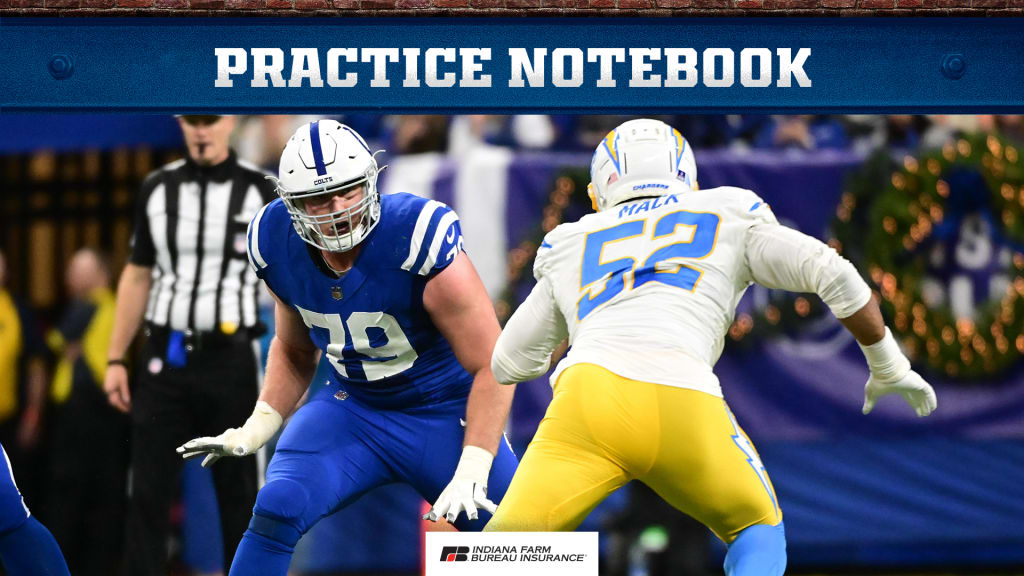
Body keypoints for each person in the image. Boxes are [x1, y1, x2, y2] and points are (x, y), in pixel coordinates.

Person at [485, 119, 938, 576]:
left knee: (495, 557)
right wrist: (886, 363)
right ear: (690, 179)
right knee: (758, 531)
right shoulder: (727, 210)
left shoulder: (571, 239)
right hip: (685, 398)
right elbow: (833, 273)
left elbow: (506, 362)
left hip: (587, 400)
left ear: (597, 190)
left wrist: (567, 327)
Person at [176, 119, 519, 575]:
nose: (338, 209)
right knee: (278, 504)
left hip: (443, 411)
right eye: (319, 197)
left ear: (371, 182)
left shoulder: (415, 234)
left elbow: (493, 365)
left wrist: (475, 463)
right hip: (354, 409)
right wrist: (257, 425)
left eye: (349, 190)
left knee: (522, 539)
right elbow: (295, 349)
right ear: (291, 204)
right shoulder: (275, 240)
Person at [103, 114, 278, 574]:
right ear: (181, 124)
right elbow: (138, 273)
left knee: (239, 491)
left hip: (231, 360)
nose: (202, 130)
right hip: (166, 358)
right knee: (146, 490)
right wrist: (116, 357)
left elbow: (285, 277)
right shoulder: (158, 188)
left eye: (211, 120)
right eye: (192, 120)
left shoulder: (261, 189)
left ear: (231, 122)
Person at [44, 249, 127, 576]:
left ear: (101, 275)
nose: (70, 277)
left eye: (79, 270)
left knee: (73, 496)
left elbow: (55, 340)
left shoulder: (93, 305)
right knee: (98, 497)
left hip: (89, 413)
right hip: (97, 413)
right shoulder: (105, 306)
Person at [0, 253, 70, 575]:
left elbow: (37, 364)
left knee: (11, 514)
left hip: (9, 418)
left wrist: (32, 413)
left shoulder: (17, 310)